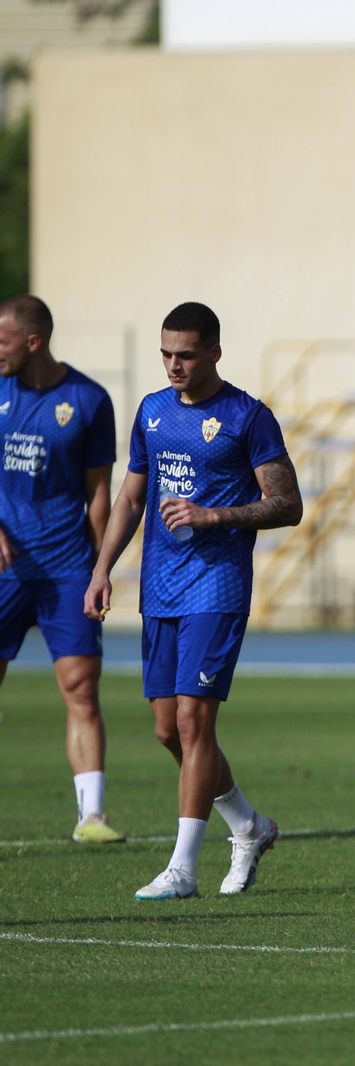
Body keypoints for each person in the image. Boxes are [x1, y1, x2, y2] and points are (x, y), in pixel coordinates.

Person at [85, 302, 303, 900]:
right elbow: (130, 499)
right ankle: (248, 825)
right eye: (165, 354)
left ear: (213, 351)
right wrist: (102, 568)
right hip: (160, 584)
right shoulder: (152, 412)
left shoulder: (247, 417)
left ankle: (182, 868)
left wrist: (214, 515)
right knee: (166, 730)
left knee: (193, 719)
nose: (173, 365)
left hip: (218, 584)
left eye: (184, 354)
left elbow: (289, 505)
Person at [0, 295, 123, 843]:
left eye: (2, 342)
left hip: (67, 565)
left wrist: (101, 566)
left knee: (81, 687)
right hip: (6, 567)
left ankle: (91, 817)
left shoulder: (89, 400)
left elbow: (100, 492)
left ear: (33, 342)